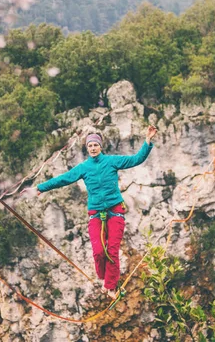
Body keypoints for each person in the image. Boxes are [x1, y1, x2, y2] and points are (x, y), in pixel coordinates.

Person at [36, 125, 157, 299]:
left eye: (95, 145)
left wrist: (147, 140)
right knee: (99, 252)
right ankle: (104, 278)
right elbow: (63, 179)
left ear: (101, 146)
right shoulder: (84, 167)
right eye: (90, 146)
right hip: (95, 214)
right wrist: (42, 187)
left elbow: (136, 159)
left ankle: (111, 287)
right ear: (87, 148)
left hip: (115, 212)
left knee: (112, 250)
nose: (93, 148)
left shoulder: (111, 161)